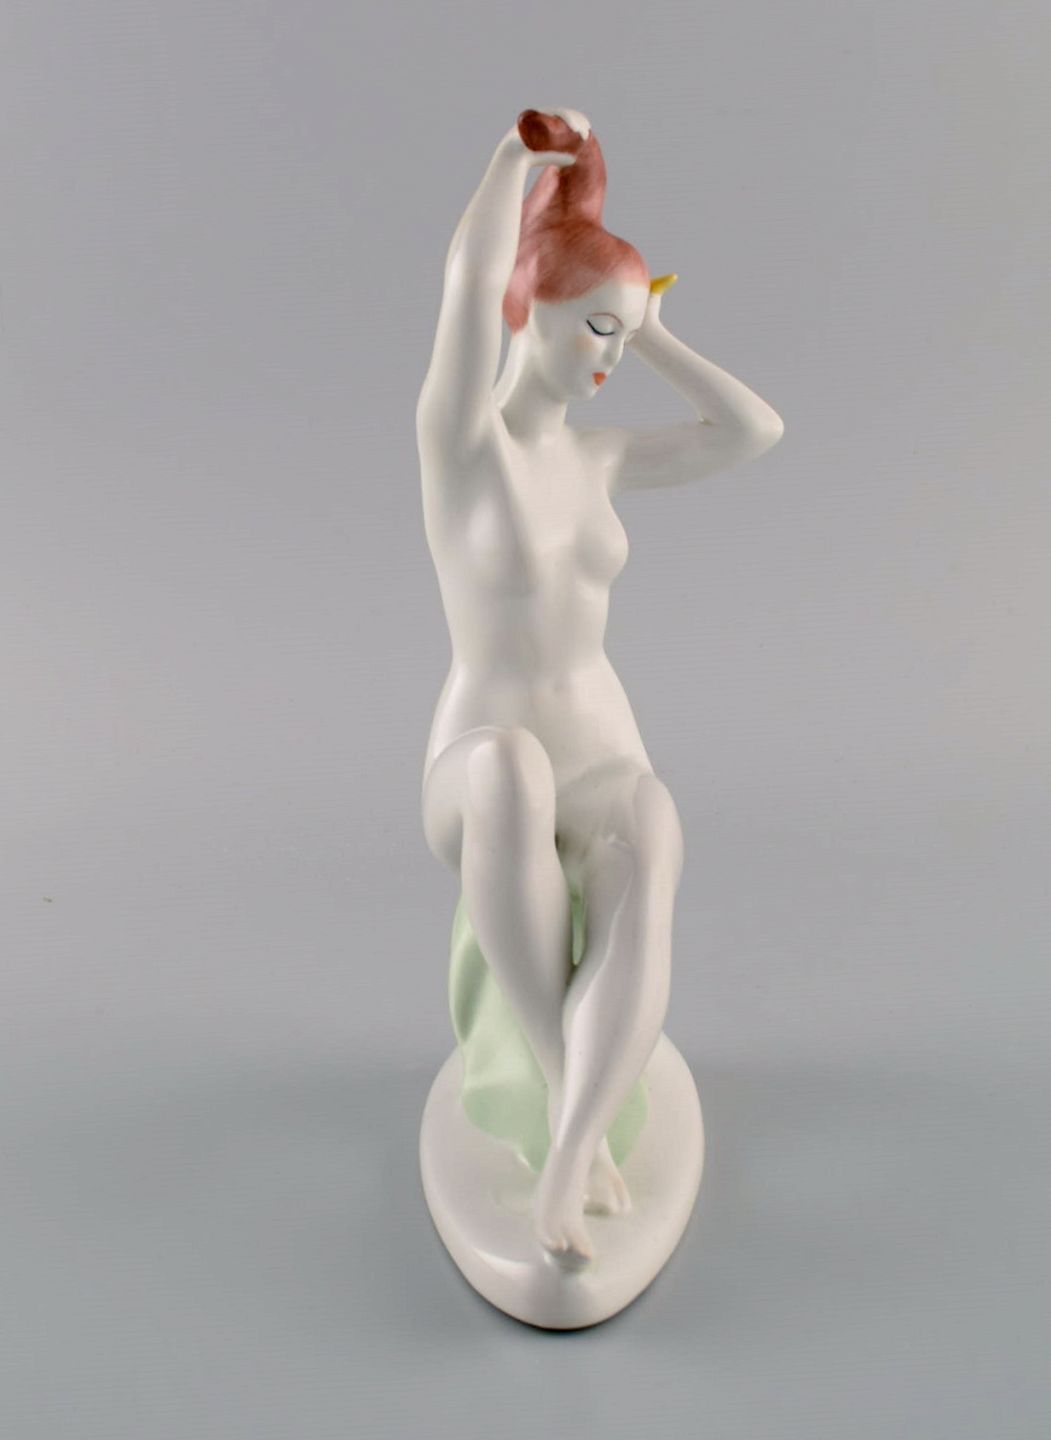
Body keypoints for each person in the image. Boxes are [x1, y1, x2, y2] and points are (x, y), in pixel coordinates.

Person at [417, 107, 783, 1269]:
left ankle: (573, 1152)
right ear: (529, 308)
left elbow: (752, 430)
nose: (609, 359)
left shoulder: (601, 456)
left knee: (650, 823)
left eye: (621, 337)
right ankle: (555, 1075)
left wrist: (653, 325)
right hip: (481, 759)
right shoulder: (464, 448)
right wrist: (513, 161)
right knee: (510, 772)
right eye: (596, 329)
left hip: (599, 749)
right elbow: (468, 283)